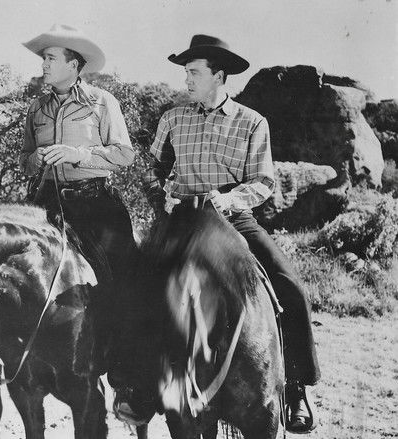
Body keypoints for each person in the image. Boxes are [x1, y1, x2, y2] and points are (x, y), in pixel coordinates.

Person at [145, 34, 320, 433]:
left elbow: (263, 181)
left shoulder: (252, 122)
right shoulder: (173, 119)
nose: (186, 80)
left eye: (194, 72)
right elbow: (155, 168)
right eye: (186, 72)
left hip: (233, 220)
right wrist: (163, 193)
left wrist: (227, 200)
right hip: (182, 222)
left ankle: (295, 387)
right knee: (136, 282)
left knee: (291, 287)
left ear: (219, 76)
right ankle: (137, 384)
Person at [20, 24, 137, 368]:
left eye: (51, 58)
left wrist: (78, 155)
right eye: (43, 58)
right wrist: (35, 158)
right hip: (45, 205)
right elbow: (24, 161)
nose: (44, 64)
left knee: (124, 279)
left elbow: (124, 154)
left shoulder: (102, 102)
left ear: (73, 64)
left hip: (94, 204)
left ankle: (123, 363)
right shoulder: (37, 108)